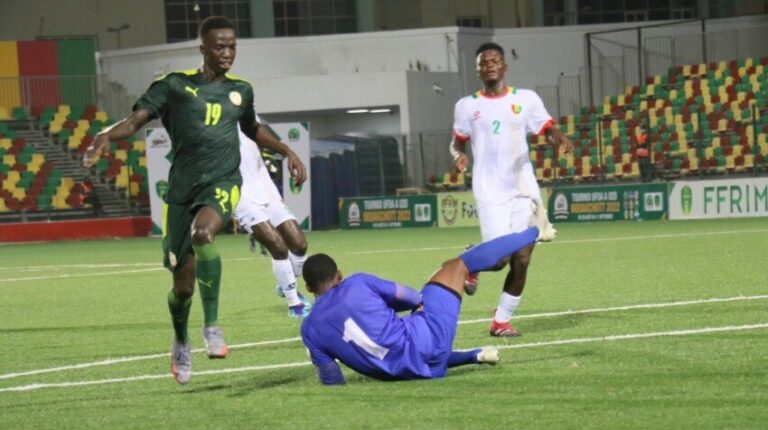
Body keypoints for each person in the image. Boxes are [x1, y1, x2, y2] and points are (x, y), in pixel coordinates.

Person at [83, 16, 307, 385]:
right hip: (183, 190)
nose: (227, 53)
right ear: (202, 48)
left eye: (232, 46)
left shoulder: (241, 91)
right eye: (219, 47)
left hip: (223, 182)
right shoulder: (173, 86)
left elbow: (252, 128)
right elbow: (135, 121)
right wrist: (107, 136)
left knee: (205, 234)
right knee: (182, 287)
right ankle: (181, 339)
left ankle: (213, 327)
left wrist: (287, 151)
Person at [300, 201, 555, 385]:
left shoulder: (309, 329)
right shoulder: (356, 283)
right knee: (457, 266)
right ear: (340, 275)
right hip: (428, 342)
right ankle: (536, 232)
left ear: (309, 288)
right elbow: (413, 297)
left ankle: (475, 356)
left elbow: (332, 379)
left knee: (406, 348)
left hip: (409, 372)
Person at [450, 42, 573, 338]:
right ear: (478, 70)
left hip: (523, 188)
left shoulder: (526, 99)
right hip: (489, 189)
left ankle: (500, 321)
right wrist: (458, 156)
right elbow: (457, 141)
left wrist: (558, 136)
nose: (489, 65)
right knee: (498, 259)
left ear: (504, 66)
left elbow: (547, 126)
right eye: (483, 62)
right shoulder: (467, 105)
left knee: (523, 258)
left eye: (494, 60)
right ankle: (472, 260)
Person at [234, 129, 312, 318]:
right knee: (277, 246)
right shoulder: (202, 117)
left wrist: (289, 153)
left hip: (266, 189)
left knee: (299, 245)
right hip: (238, 194)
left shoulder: (241, 108)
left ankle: (286, 284)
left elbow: (260, 133)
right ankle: (295, 305)